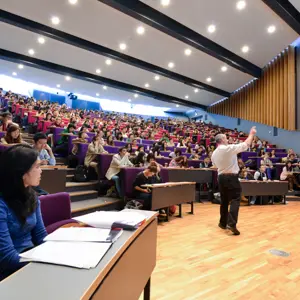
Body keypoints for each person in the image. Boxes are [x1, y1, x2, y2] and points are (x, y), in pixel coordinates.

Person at [0, 144, 48, 280]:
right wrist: (43, 264)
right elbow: (7, 257)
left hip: (30, 258)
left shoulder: (32, 196)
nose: (41, 171)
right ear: (21, 173)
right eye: (37, 167)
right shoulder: (2, 204)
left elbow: (40, 236)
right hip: (8, 270)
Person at [211, 126, 256, 235]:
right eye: (226, 138)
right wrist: (251, 134)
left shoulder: (214, 153)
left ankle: (222, 223)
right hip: (231, 177)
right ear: (222, 140)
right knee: (236, 198)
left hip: (221, 178)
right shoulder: (228, 148)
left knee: (224, 201)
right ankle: (232, 223)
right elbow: (245, 145)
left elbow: (216, 166)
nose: (227, 140)